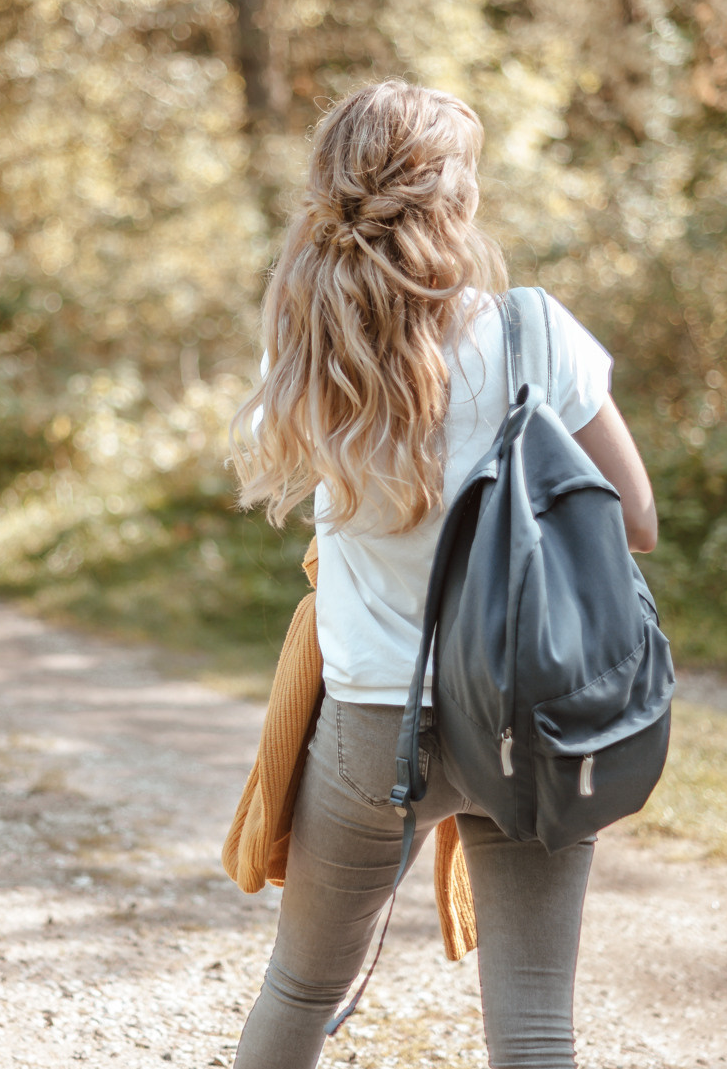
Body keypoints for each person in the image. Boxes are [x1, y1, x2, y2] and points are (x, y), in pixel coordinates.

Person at [227, 80, 657, 1069]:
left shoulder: (308, 344)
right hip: (528, 711)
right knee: (537, 1018)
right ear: (456, 195)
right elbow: (635, 518)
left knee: (299, 988)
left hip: (372, 720)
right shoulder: (533, 332)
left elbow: (283, 463)